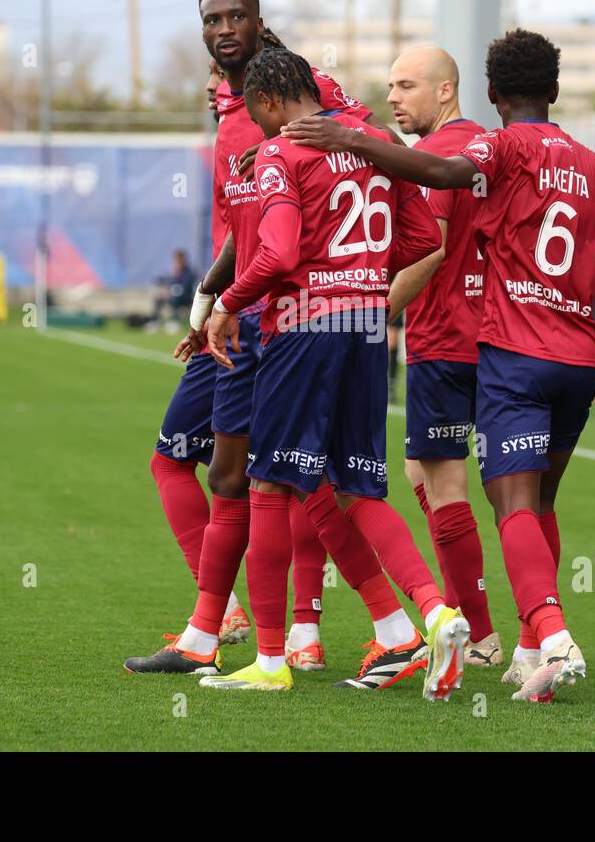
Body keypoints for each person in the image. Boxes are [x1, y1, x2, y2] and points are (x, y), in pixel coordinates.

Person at [283, 28, 595, 703]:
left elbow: (437, 203)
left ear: (483, 93)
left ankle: (522, 632)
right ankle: (526, 646)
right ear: (554, 89)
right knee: (533, 501)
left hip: (494, 349)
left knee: (465, 492)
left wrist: (355, 143)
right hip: (574, 357)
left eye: (405, 85)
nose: (395, 97)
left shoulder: (487, 145)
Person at [131, 0, 408, 680]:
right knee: (267, 473)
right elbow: (244, 224)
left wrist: (215, 302)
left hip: (270, 312)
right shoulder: (239, 106)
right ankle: (289, 629)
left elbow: (274, 228)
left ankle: (334, 629)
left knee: (261, 474)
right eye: (212, 18)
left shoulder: (286, 106)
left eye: (237, 15)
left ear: (260, 22)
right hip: (260, 306)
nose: (224, 27)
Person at [199, 46, 468, 698]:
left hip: (305, 328)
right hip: (368, 327)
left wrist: (227, 303)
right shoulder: (373, 141)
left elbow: (278, 250)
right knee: (360, 488)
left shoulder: (280, 152)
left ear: (266, 101)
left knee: (266, 487)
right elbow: (422, 240)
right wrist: (363, 268)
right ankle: (436, 612)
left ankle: (270, 660)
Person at [377, 45, 503, 666]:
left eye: (406, 85)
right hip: (502, 338)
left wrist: (372, 315)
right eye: (391, 86)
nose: (394, 97)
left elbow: (429, 250)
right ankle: (463, 614)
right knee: (424, 474)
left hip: (445, 338)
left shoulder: (430, 157)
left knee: (446, 480)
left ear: (446, 90)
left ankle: (476, 635)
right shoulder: (489, 145)